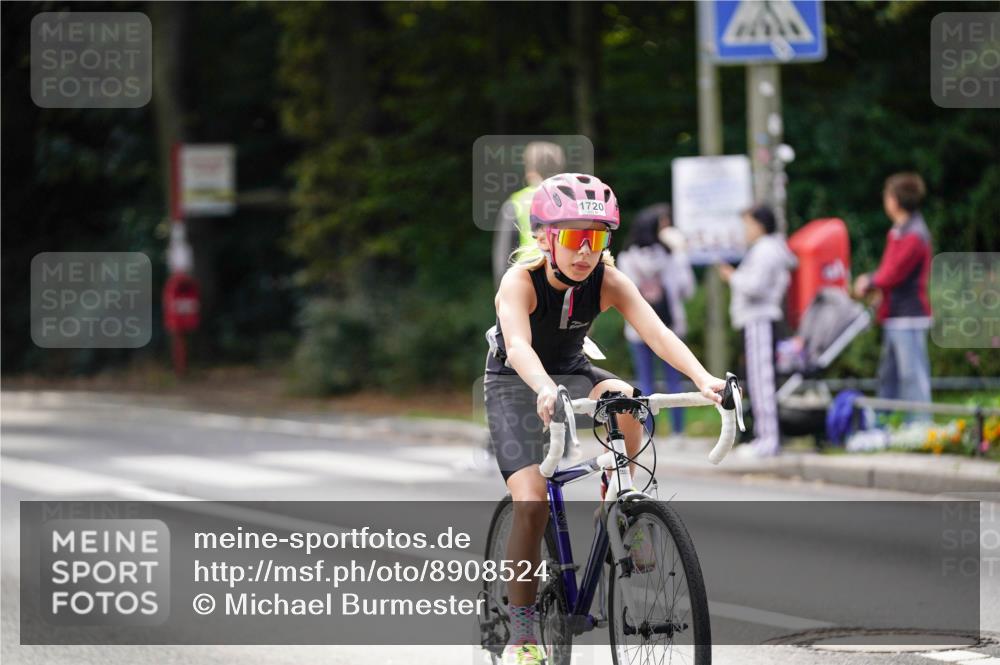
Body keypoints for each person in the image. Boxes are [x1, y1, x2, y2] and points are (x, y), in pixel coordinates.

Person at [484, 173, 727, 665]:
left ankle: (622, 498)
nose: (585, 252)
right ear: (546, 239)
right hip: (516, 381)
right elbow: (518, 347)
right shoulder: (520, 282)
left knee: (629, 399)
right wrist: (542, 388)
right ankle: (524, 627)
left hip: (572, 371)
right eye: (575, 238)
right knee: (530, 502)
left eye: (597, 239)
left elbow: (657, 334)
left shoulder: (608, 280)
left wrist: (705, 379)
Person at [718, 204, 797, 458]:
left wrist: (732, 276)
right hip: (757, 320)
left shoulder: (766, 250)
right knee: (757, 380)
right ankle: (765, 436)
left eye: (748, 224)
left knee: (762, 381)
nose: (745, 230)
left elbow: (756, 286)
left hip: (760, 319)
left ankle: (769, 439)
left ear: (760, 224)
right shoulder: (768, 249)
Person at [853, 172, 933, 417]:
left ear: (896, 200)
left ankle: (920, 427)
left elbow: (892, 274)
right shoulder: (900, 230)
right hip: (894, 314)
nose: (885, 200)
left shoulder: (913, 235)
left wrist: (869, 282)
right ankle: (884, 425)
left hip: (909, 317)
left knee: (912, 376)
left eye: (888, 195)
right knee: (889, 375)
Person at [616, 203, 695, 436]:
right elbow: (686, 290)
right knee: (674, 380)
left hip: (638, 328)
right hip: (669, 327)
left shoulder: (626, 257)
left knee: (645, 381)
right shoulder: (671, 255)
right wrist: (681, 253)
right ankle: (677, 432)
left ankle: (648, 431)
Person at [492, 141, 566, 288]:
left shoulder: (516, 202)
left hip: (526, 283)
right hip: (565, 282)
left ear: (530, 171)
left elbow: (503, 255)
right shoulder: (572, 199)